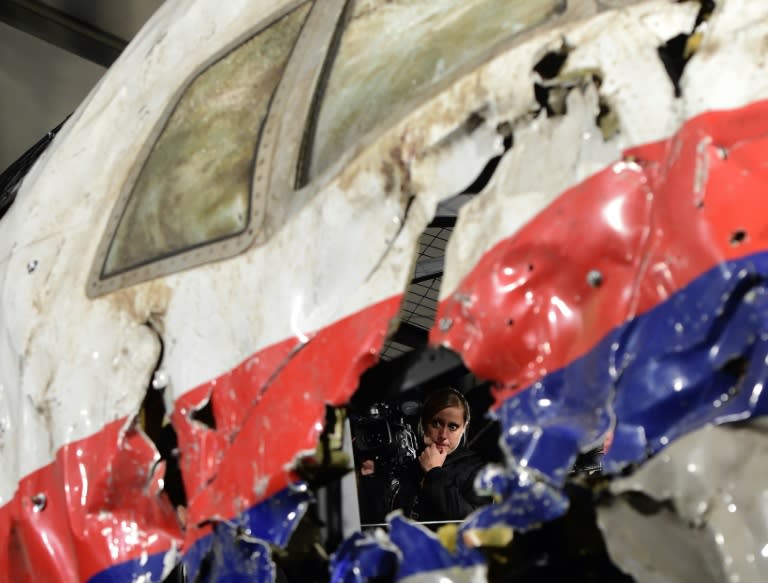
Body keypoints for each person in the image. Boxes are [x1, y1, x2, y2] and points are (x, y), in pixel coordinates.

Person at [358, 387, 491, 524]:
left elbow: (474, 523)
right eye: (436, 423)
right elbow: (382, 517)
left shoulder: (478, 472)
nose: (443, 435)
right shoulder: (409, 462)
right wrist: (373, 479)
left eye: (452, 427)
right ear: (424, 423)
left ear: (463, 428)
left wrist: (434, 473)